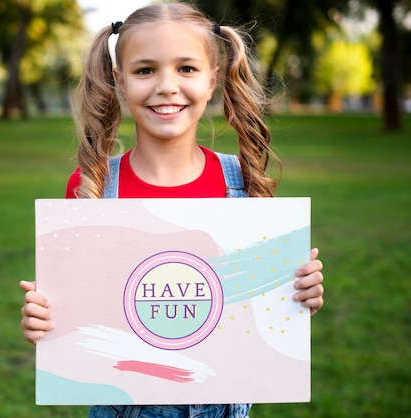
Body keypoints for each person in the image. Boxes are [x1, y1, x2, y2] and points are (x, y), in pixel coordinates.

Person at [20, 2, 324, 417]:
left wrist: (297, 294)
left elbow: (257, 307)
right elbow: (79, 313)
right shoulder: (91, 187)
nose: (166, 86)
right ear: (119, 80)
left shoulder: (243, 183)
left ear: (213, 79)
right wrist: (45, 320)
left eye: (186, 68)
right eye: (145, 70)